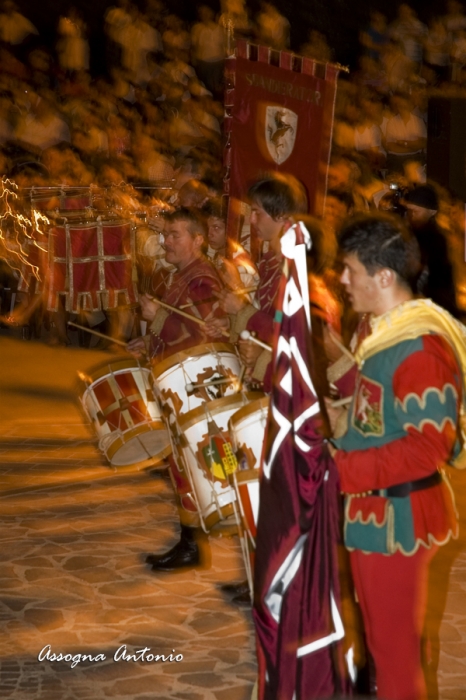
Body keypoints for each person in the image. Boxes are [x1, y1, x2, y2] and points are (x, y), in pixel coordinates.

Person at [327, 213, 463, 700]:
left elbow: (428, 449)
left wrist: (338, 469)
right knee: (387, 648)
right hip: (375, 514)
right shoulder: (384, 332)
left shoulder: (420, 347)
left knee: (397, 659)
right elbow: (379, 408)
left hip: (396, 519)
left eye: (350, 270)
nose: (342, 281)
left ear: (383, 276)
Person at [127, 207, 227, 572]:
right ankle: (191, 543)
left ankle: (194, 545)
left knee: (193, 465)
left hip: (192, 385)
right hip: (176, 382)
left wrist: (157, 321)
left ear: (198, 240)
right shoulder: (183, 275)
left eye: (176, 235)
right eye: (166, 235)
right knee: (181, 465)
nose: (167, 241)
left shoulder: (202, 279)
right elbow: (177, 323)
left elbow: (202, 334)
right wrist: (148, 340)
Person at [210, 173, 308, 392]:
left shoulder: (299, 268)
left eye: (257, 212)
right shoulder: (268, 262)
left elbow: (296, 336)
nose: (251, 220)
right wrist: (232, 320)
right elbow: (268, 314)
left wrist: (242, 310)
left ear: (282, 215)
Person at [403, 184, 460, 319]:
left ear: (431, 212)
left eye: (416, 211)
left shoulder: (437, 239)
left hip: (431, 305)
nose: (412, 215)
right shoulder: (408, 234)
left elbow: (438, 278)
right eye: (409, 211)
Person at [202, 197, 259, 299]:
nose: (209, 234)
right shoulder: (216, 257)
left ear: (230, 230)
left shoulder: (241, 266)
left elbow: (249, 307)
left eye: (216, 228)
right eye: (208, 228)